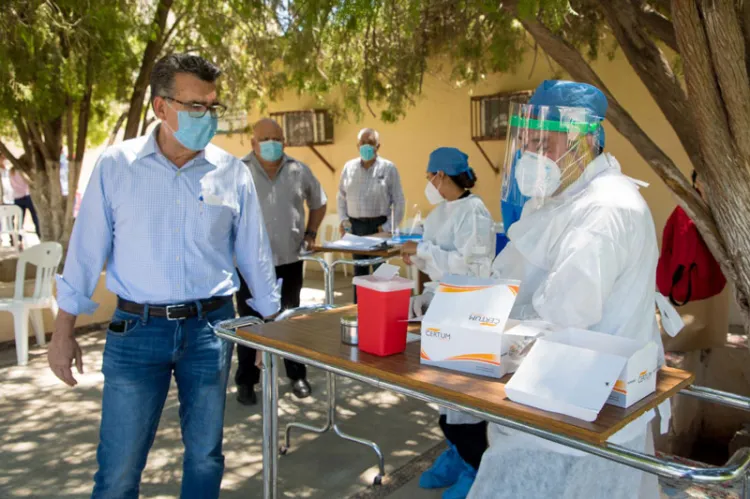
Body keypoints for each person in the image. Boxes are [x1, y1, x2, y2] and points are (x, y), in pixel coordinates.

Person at [47, 53, 280, 499]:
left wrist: (275, 323)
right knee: (118, 469)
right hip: (137, 332)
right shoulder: (117, 167)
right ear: (160, 107)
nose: (206, 116)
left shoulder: (232, 173)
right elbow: (84, 251)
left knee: (206, 457)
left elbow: (255, 256)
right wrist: (63, 330)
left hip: (210, 330)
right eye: (195, 106)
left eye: (212, 106)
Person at [467, 80, 662, 499]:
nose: (531, 156)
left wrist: (484, 330)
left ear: (583, 142)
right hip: (554, 397)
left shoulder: (607, 208)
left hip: (579, 418)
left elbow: (567, 311)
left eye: (544, 143)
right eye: (526, 143)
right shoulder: (563, 198)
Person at [401, 147, 495, 499]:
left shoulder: (475, 211)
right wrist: (422, 287)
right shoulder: (440, 213)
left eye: (430, 176)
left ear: (442, 175)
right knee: (444, 398)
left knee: (464, 398)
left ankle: (476, 466)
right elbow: (438, 265)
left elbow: (469, 268)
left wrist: (424, 252)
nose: (428, 182)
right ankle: (456, 455)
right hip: (443, 310)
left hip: (467, 309)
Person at [234, 118, 327, 404]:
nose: (272, 143)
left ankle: (296, 374)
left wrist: (311, 232)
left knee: (289, 319)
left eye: (277, 138)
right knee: (250, 323)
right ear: (253, 143)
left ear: (284, 142)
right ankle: (248, 380)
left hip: (288, 259)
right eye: (265, 138)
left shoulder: (299, 170)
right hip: (249, 265)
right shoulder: (238, 171)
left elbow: (319, 202)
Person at [337, 128, 405, 298]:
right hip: (355, 227)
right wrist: (344, 221)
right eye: (363, 143)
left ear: (378, 146)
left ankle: (381, 309)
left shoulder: (389, 168)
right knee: (359, 273)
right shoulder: (349, 167)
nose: (366, 146)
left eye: (371, 143)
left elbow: (399, 201)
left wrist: (388, 226)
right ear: (357, 145)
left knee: (380, 272)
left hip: (379, 226)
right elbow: (341, 196)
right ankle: (358, 309)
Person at [8, 158, 40, 241]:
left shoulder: (12, 172)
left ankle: (18, 240)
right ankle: (40, 235)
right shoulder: (23, 172)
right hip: (27, 196)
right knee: (35, 218)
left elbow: (12, 184)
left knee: (19, 221)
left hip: (17, 197)